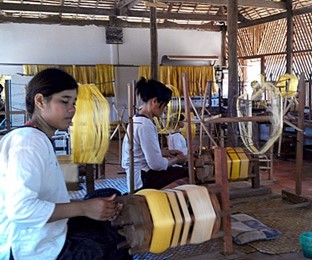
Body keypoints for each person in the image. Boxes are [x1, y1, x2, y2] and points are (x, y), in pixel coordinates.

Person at [0, 68, 130, 259]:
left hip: (46, 232)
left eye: (74, 102)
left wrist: (91, 206)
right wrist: (84, 208)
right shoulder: (28, 142)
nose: (72, 109)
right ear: (40, 101)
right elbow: (21, 209)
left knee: (107, 201)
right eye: (64, 101)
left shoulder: (36, 138)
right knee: (113, 246)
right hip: (30, 247)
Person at [121, 78, 188, 192]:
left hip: (137, 174)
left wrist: (164, 152)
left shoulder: (136, 119)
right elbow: (156, 165)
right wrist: (177, 160)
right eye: (164, 105)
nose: (164, 109)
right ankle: (160, 200)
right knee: (188, 174)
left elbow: (140, 151)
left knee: (178, 170)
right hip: (142, 179)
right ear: (155, 101)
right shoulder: (145, 125)